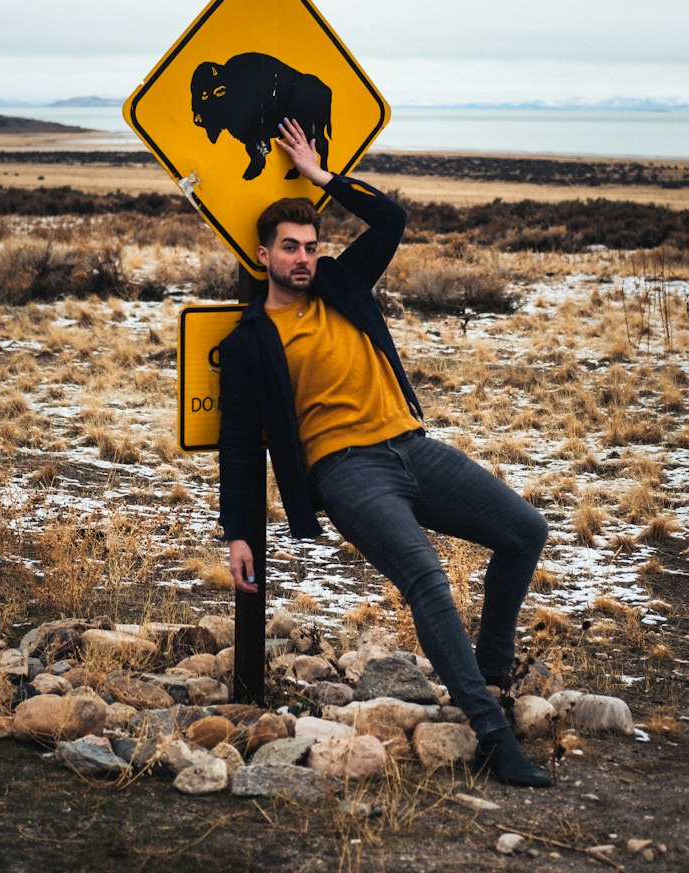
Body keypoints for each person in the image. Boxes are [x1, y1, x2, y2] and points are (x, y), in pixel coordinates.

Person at [218, 117, 551, 788]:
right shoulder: (251, 339)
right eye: (289, 248)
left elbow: (391, 219)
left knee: (525, 531)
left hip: (411, 447)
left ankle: (488, 665)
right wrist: (239, 533)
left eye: (311, 245)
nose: (304, 258)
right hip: (347, 470)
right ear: (264, 257)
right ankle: (490, 733)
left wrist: (321, 177)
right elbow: (238, 446)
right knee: (427, 579)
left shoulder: (342, 284)